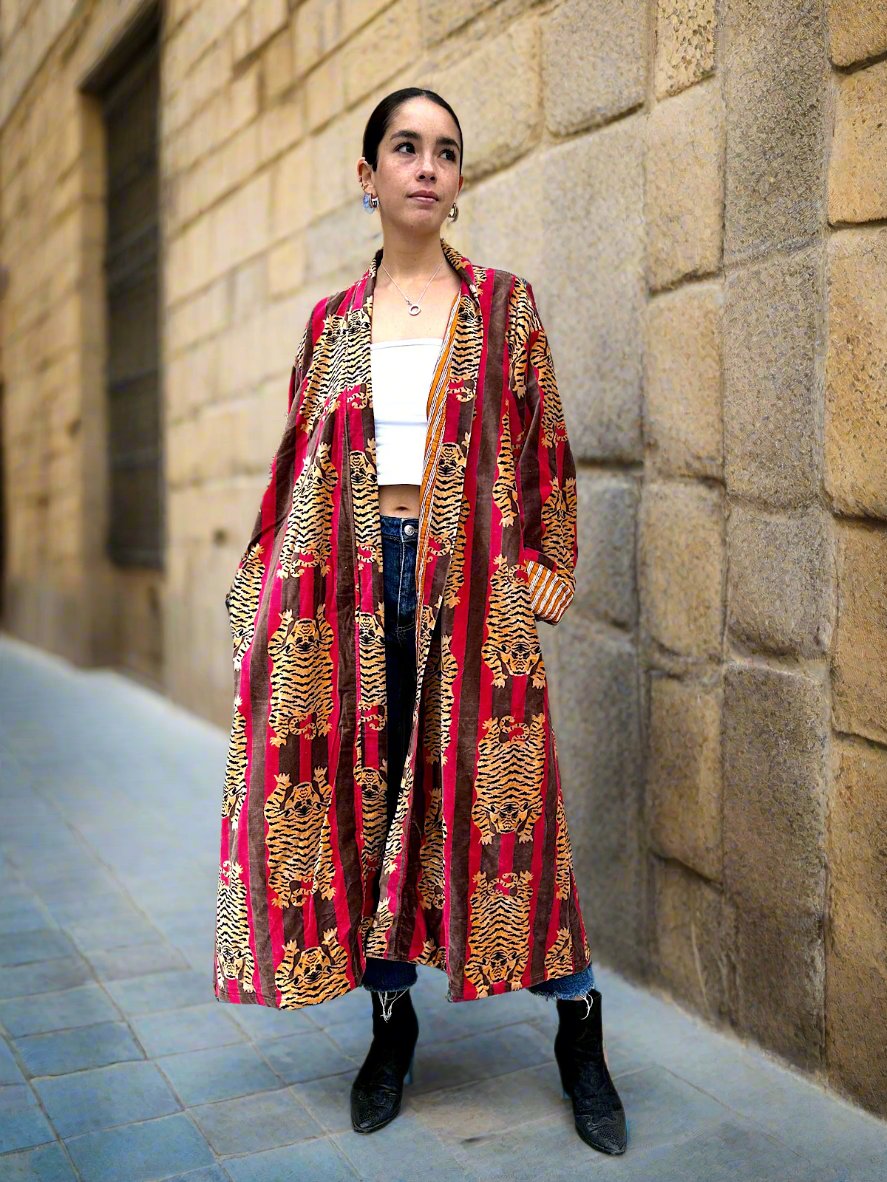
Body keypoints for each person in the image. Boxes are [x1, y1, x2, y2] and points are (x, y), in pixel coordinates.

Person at [214, 86, 626, 1156]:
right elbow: (300, 461)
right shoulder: (334, 323)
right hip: (355, 590)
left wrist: (549, 558)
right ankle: (388, 1030)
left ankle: (578, 1028)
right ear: (369, 177)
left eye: (444, 151)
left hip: (475, 592)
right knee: (374, 801)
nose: (426, 166)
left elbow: (544, 441)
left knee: (511, 816)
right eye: (405, 148)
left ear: (455, 180)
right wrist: (267, 576)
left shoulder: (503, 305)